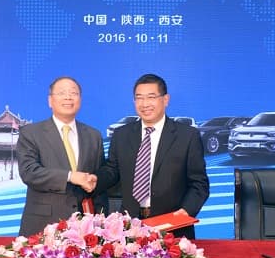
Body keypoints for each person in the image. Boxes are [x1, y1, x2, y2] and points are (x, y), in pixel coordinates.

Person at [96, 73, 209, 239]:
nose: (144, 104)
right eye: (139, 98)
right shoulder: (121, 135)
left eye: (151, 97)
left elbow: (199, 183)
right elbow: (112, 171)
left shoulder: (187, 136)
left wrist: (186, 211)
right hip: (129, 227)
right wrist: (94, 180)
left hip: (172, 227)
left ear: (165, 99)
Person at [17, 76, 107, 236]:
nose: (68, 97)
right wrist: (70, 176)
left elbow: (98, 184)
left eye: (74, 93)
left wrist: (101, 222)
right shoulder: (31, 133)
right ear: (50, 101)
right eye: (61, 93)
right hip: (43, 226)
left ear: (80, 100)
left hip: (84, 229)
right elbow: (29, 172)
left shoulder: (93, 136)